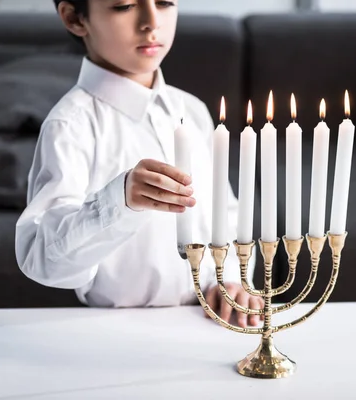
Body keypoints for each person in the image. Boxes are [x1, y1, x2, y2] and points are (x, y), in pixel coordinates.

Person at [15, 0, 262, 327]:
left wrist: (231, 280)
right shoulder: (70, 126)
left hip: (207, 323)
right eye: (124, 5)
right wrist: (119, 201)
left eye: (165, 2)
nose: (151, 22)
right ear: (75, 18)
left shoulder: (192, 110)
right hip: (118, 331)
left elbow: (225, 213)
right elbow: (43, 260)